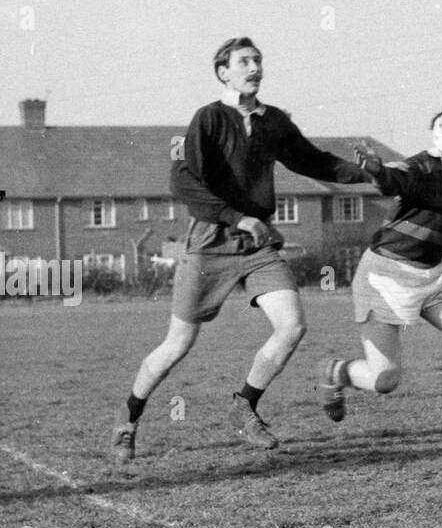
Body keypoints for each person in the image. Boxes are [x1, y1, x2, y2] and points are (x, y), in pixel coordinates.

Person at [110, 37, 370, 462]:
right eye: (244, 61)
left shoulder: (274, 122)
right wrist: (235, 217)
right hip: (211, 240)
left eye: (258, 61)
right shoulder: (209, 118)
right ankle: (128, 418)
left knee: (291, 326)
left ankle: (244, 405)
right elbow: (184, 183)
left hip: (257, 244)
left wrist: (368, 172)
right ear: (223, 72)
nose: (254, 67)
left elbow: (316, 162)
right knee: (177, 345)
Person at [316, 106, 442, 433]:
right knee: (385, 380)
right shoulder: (423, 165)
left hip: (435, 276)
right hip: (387, 276)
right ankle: (336, 372)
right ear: (438, 134)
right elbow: (393, 178)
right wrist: (377, 170)